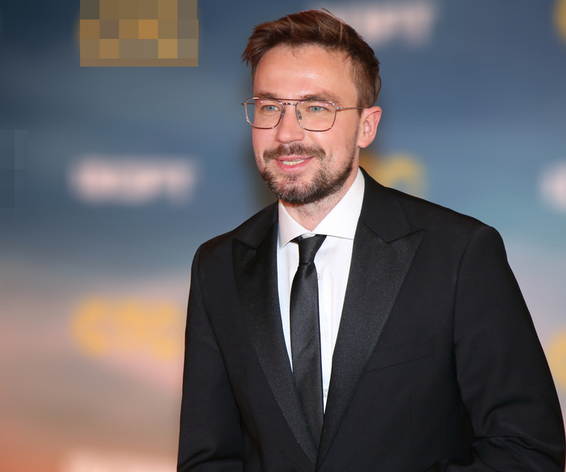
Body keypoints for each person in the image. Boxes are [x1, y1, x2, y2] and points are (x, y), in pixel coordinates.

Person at [178, 10, 565, 472]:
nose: (286, 132)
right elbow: (208, 458)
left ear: (367, 125)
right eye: (269, 107)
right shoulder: (217, 266)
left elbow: (527, 449)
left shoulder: (458, 254)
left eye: (315, 108)